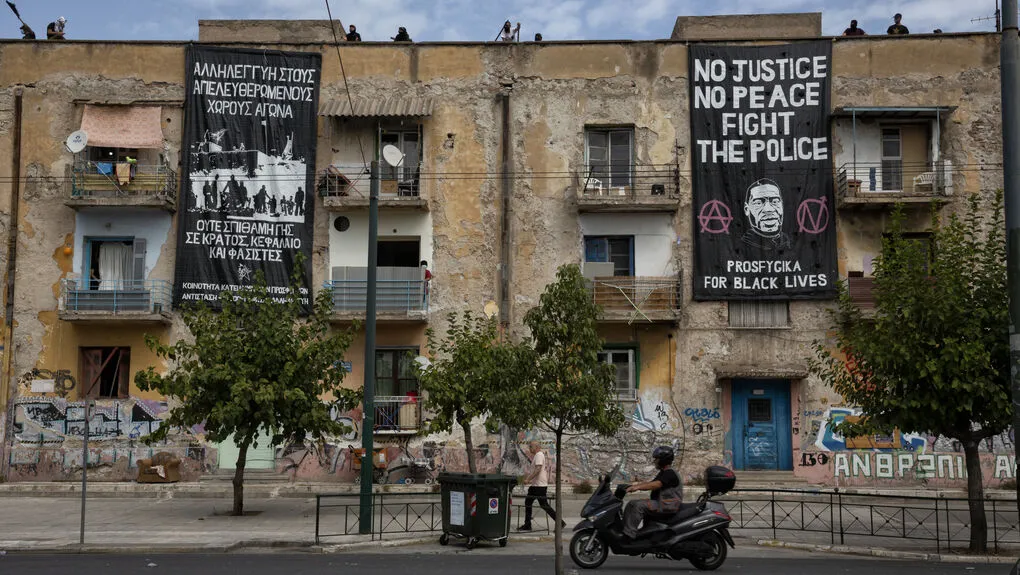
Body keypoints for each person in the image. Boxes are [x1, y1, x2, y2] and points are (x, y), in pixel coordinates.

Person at [622, 446, 683, 539]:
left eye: (656, 459)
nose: (655, 461)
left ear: (663, 460)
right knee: (632, 504)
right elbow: (651, 483)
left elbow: (656, 484)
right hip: (663, 503)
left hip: (667, 505)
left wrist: (637, 487)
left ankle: (628, 536)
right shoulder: (664, 472)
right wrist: (632, 485)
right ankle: (626, 530)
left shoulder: (670, 473)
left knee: (637, 505)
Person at [519, 442, 564, 531]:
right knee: (529, 502)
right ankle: (527, 525)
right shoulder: (537, 455)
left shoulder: (539, 455)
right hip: (536, 485)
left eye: (531, 446)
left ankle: (560, 523)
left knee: (543, 505)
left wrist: (528, 479)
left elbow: (538, 469)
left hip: (539, 486)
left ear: (536, 447)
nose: (529, 448)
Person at [741, 178, 791, 251]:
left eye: (775, 201)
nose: (769, 209)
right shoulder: (744, 245)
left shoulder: (787, 241)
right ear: (746, 209)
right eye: (758, 203)